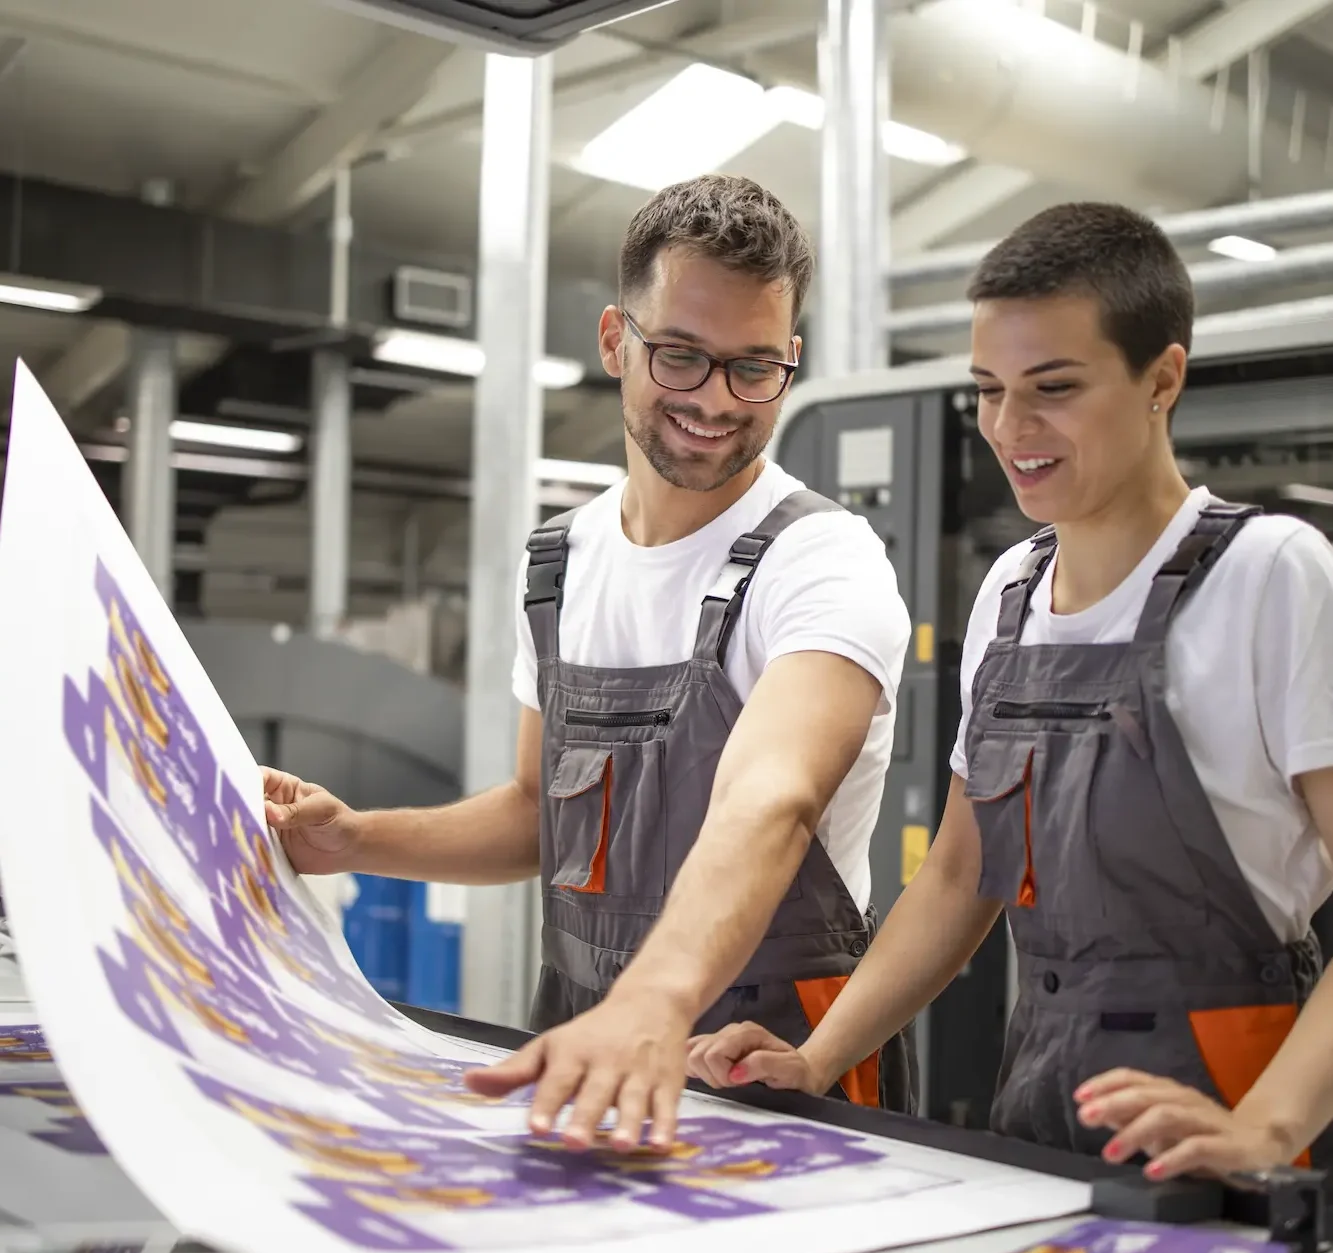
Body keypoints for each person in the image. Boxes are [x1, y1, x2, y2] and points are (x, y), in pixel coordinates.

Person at [260, 174, 916, 1152]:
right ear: (615, 340)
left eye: (752, 368)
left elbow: (770, 799)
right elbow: (537, 811)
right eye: (680, 356)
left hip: (773, 1049)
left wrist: (652, 1000)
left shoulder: (822, 561)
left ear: (790, 360)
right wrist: (357, 839)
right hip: (583, 1031)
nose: (712, 400)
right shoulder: (558, 568)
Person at [686, 201, 1333, 1181]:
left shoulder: (1271, 574)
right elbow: (957, 875)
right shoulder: (1012, 592)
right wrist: (819, 1056)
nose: (1009, 428)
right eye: (988, 390)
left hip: (1233, 1117)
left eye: (1054, 388)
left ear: (1162, 378)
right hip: (1039, 1098)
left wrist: (1268, 1127)